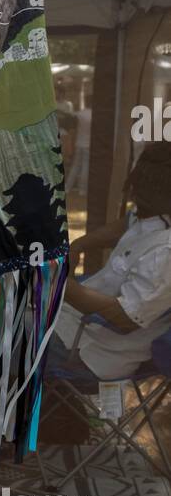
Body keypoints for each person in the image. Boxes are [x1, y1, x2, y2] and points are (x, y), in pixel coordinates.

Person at [47, 140, 171, 380]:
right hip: (73, 324)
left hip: (94, 352)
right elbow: (129, 223)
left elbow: (125, 319)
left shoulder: (165, 253)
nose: (134, 193)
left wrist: (60, 284)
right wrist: (80, 244)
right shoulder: (155, 212)